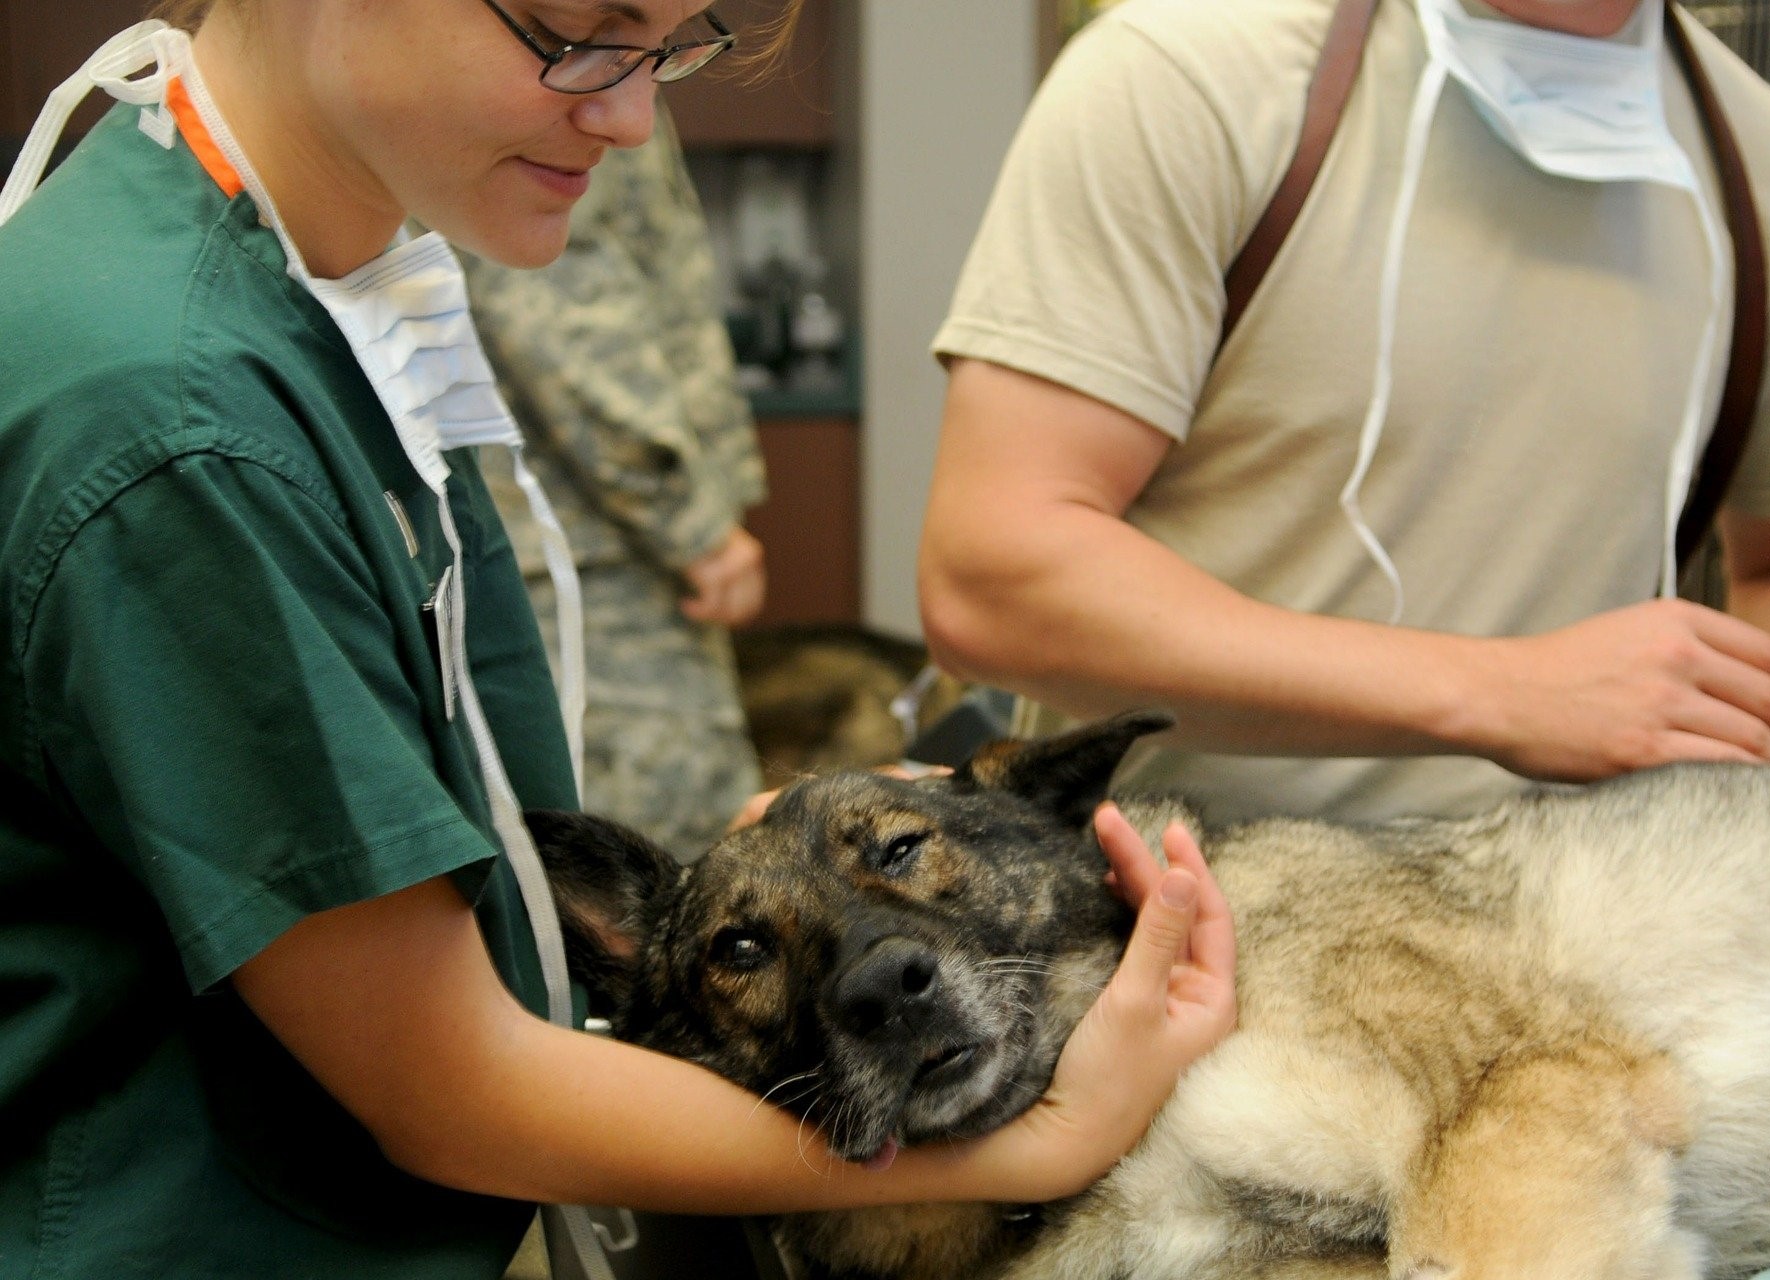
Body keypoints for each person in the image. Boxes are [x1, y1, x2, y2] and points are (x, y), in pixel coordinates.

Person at [0, 3, 1237, 1279]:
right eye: (574, 33)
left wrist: (806, 872)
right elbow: (450, 1084)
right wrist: (1045, 1136)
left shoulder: (322, 296)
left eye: (671, 48)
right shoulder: (178, 424)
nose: (633, 115)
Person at [921, 0, 1770, 826]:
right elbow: (994, 572)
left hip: (1584, 956)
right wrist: (1502, 692)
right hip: (1180, 947)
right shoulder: (1192, 78)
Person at [461, 107, 768, 860]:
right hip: (590, 554)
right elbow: (559, 305)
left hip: (575, 540)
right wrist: (690, 522)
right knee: (665, 880)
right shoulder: (567, 61)